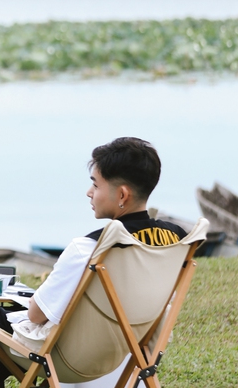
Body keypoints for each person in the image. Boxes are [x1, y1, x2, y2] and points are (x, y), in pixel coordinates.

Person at [27, 137, 187, 328]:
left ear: (122, 195)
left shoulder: (88, 248)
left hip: (76, 355)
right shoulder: (176, 240)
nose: (89, 192)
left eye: (95, 185)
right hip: (136, 352)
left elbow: (36, 315)